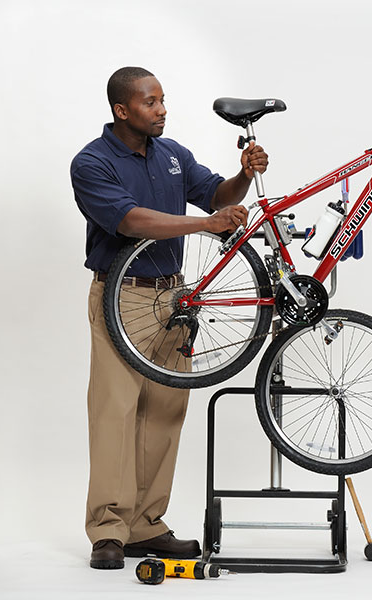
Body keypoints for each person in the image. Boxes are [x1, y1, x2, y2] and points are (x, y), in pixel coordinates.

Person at [70, 66, 268, 570]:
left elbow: (217, 197)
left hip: (177, 298)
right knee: (115, 411)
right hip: (124, 298)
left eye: (163, 101)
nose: (162, 110)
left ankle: (146, 526)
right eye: (151, 102)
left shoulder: (172, 154)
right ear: (122, 110)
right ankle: (109, 530)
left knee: (164, 411)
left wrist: (242, 176)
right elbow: (131, 220)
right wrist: (207, 224)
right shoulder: (91, 163)